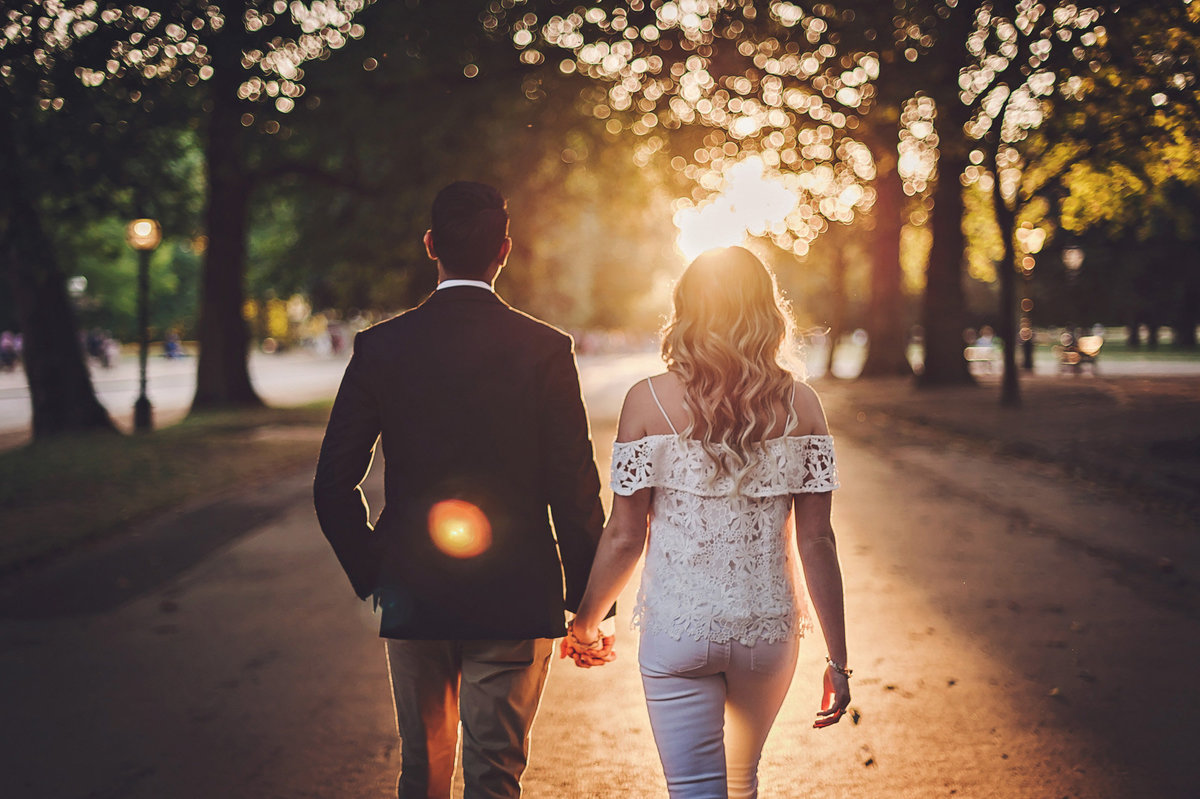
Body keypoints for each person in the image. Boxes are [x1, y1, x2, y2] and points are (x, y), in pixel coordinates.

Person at [313, 181, 606, 799]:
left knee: (422, 772)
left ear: (430, 246)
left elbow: (333, 484)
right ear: (504, 251)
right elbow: (574, 486)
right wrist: (586, 604)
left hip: (413, 587)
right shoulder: (546, 350)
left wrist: (376, 570)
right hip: (516, 592)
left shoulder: (381, 347)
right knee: (494, 773)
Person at [562, 246, 851, 799]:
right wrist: (839, 660)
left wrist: (587, 623)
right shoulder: (803, 406)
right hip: (766, 633)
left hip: (679, 629)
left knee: (694, 791)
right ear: (767, 312)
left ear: (686, 310)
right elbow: (817, 540)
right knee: (741, 784)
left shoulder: (646, 401)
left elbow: (625, 535)